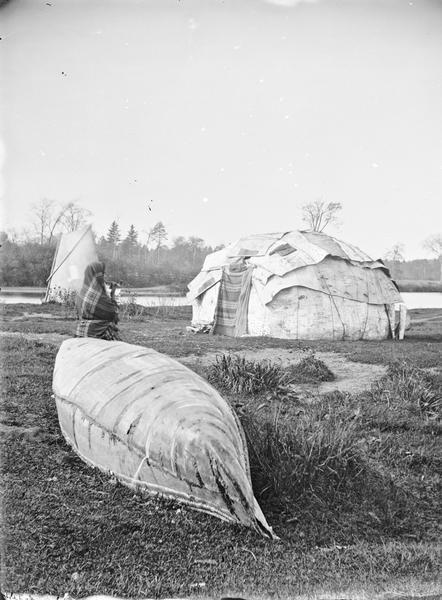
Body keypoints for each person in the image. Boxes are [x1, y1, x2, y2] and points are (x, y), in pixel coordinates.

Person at [75, 261, 120, 340]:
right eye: (103, 274)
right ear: (99, 275)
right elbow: (113, 314)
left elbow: (79, 316)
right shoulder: (100, 297)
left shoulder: (80, 295)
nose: (104, 276)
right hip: (100, 334)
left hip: (81, 333)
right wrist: (112, 293)